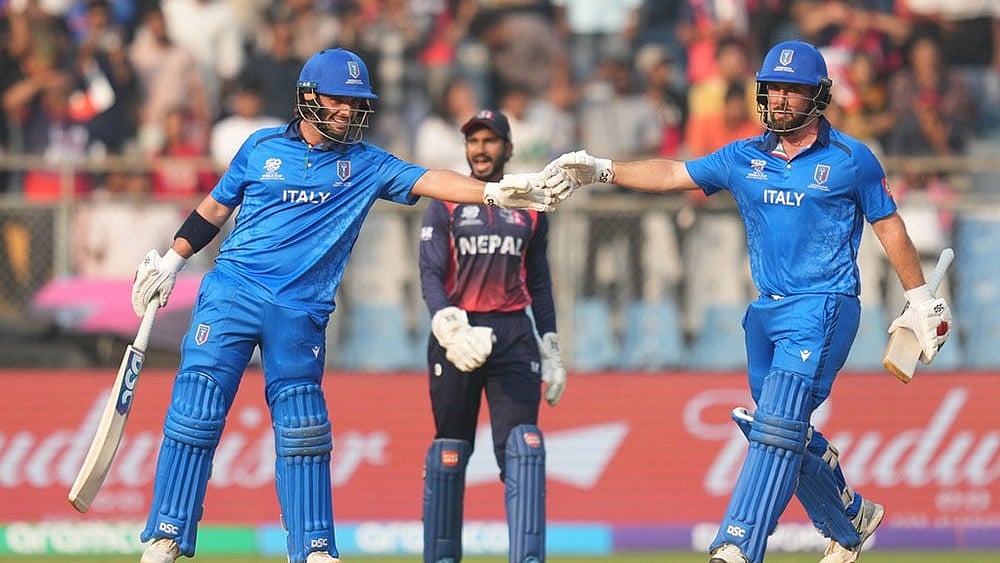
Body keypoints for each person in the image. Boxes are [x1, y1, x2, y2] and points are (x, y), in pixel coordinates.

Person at [129, 48, 570, 563]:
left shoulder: (365, 163)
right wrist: (171, 261)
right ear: (309, 97)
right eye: (340, 100)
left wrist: (494, 193)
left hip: (300, 312)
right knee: (196, 411)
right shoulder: (260, 147)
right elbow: (214, 209)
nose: (349, 110)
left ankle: (314, 548)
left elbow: (432, 180)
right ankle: (166, 536)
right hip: (233, 293)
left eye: (356, 102)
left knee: (304, 428)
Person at [544, 40, 953, 563]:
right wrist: (600, 169)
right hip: (767, 311)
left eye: (793, 90)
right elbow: (673, 174)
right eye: (773, 88)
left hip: (824, 305)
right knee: (781, 429)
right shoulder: (744, 157)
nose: (780, 99)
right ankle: (850, 517)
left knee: (777, 426)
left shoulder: (852, 159)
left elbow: (888, 224)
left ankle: (736, 545)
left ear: (818, 96)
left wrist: (920, 297)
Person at [418, 109, 567, 563]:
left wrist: (552, 343)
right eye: (473, 141)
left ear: (508, 148)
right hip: (458, 332)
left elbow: (539, 281)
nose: (480, 149)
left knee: (524, 447)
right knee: (450, 450)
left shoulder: (531, 206)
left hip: (513, 335)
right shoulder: (445, 200)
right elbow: (430, 271)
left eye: (490, 141)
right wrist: (445, 321)